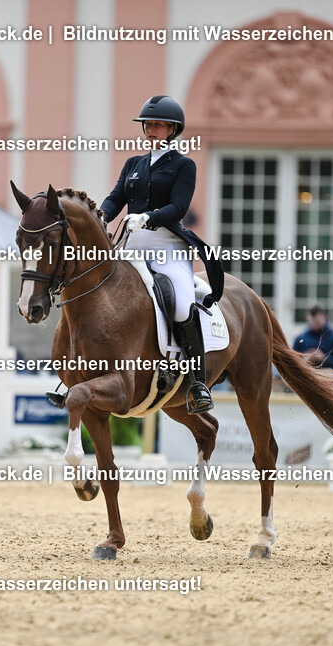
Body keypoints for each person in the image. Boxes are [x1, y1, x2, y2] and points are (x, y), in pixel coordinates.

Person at [99, 95, 223, 414]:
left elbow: (179, 207)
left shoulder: (184, 165)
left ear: (172, 129)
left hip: (167, 247)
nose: (151, 130)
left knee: (182, 304)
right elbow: (115, 198)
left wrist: (149, 217)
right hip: (133, 246)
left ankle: (197, 381)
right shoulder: (133, 164)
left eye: (157, 125)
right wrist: (101, 215)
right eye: (147, 125)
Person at [292, 305, 333, 371]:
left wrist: (324, 358)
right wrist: (304, 360)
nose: (314, 324)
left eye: (317, 321)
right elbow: (292, 364)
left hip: (330, 376)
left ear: (325, 317)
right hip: (306, 375)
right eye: (312, 321)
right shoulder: (300, 339)